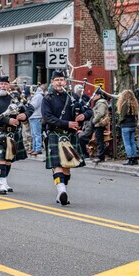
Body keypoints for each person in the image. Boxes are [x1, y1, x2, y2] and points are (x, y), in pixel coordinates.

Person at [42, 71, 92, 206]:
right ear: (52, 82)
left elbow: (89, 110)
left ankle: (61, 192)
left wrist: (84, 116)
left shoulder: (73, 97)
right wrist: (67, 123)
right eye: (57, 80)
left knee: (67, 167)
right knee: (57, 164)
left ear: (65, 82)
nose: (59, 82)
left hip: (70, 135)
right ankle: (62, 190)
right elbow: (48, 118)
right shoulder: (48, 99)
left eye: (62, 80)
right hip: (54, 133)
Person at [0, 75, 33, 194]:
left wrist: (25, 115)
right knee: (2, 158)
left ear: (9, 85)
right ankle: (1, 184)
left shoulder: (16, 97)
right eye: (1, 84)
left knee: (8, 159)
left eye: (5, 84)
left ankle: (5, 182)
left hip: (13, 132)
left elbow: (30, 107)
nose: (3, 86)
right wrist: (8, 120)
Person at [117, 90, 139, 165]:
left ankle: (130, 158)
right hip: (132, 125)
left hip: (125, 126)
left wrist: (119, 122)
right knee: (132, 142)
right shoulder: (134, 104)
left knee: (127, 143)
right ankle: (135, 158)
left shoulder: (124, 104)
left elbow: (122, 116)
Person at [91, 89, 109, 163]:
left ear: (99, 95)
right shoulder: (100, 102)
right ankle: (100, 155)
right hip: (99, 123)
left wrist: (94, 121)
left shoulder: (101, 103)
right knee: (99, 139)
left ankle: (100, 156)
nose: (93, 97)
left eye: (94, 95)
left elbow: (100, 113)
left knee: (99, 140)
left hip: (99, 123)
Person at [29, 84, 45, 156]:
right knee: (33, 134)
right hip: (33, 116)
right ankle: (34, 148)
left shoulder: (38, 96)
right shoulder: (36, 96)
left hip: (36, 116)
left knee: (37, 133)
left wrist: (28, 104)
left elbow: (34, 105)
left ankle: (38, 149)